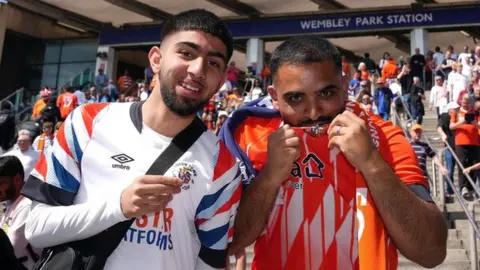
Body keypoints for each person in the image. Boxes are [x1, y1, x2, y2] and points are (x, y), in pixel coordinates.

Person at [21, 9, 241, 270]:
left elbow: (210, 263)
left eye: (213, 63)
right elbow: (36, 228)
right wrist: (119, 207)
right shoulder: (87, 122)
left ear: (221, 81)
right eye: (186, 53)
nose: (198, 69)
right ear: (156, 59)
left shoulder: (223, 165)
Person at [220, 36, 447, 269]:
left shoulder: (385, 137)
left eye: (326, 93)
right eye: (296, 98)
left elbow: (431, 252)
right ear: (274, 96)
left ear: (345, 84)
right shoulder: (250, 135)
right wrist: (268, 178)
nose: (314, 112)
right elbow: (230, 243)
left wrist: (371, 163)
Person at [0, 156, 40, 269]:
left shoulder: (26, 206)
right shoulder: (11, 203)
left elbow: (11, 248)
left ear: (17, 180)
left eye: (1, 183)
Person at [437, 102, 459, 198]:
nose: (457, 111)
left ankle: (465, 190)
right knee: (449, 170)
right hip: (449, 147)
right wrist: (442, 134)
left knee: (464, 170)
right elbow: (439, 128)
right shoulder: (445, 117)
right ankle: (449, 191)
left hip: (460, 148)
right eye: (455, 109)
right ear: (450, 110)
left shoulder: (460, 117)